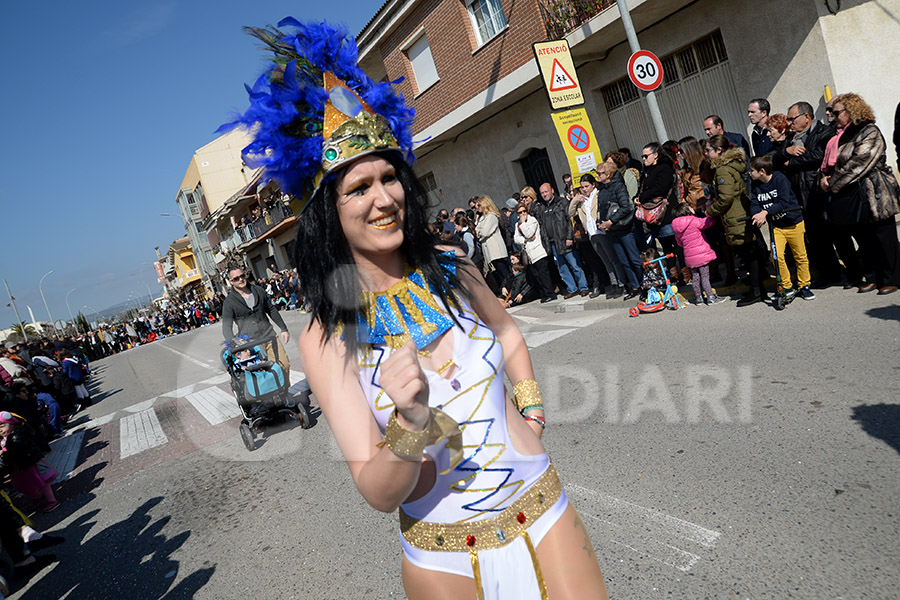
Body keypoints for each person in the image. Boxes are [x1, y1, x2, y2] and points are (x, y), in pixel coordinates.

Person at [222, 19, 609, 599]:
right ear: (330, 210)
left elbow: (508, 334)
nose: (383, 198)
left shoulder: (453, 267)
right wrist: (408, 424)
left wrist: (531, 416)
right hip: (444, 558)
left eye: (389, 178)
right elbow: (377, 493)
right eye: (358, 188)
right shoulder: (325, 338)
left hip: (545, 511)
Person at [820, 93, 900, 295]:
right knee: (865, 239)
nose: (833, 116)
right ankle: (873, 277)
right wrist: (825, 177)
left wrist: (833, 182)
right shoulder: (844, 135)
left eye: (836, 112)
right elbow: (835, 162)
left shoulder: (869, 131)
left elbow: (859, 162)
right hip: (853, 195)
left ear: (851, 111)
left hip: (876, 192)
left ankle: (892, 277)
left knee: (884, 236)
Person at [706, 135, 769, 307]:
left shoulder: (723, 169)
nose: (706, 154)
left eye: (708, 150)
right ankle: (757, 288)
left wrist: (710, 211)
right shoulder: (731, 165)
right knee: (749, 252)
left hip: (736, 215)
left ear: (718, 151)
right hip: (740, 212)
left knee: (748, 252)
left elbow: (725, 198)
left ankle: (757, 291)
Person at [749, 154, 814, 301]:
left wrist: (765, 212)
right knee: (776, 256)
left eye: (751, 170)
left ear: (762, 171)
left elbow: (784, 202)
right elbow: (754, 203)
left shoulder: (780, 179)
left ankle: (804, 286)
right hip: (776, 226)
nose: (749, 173)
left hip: (793, 223)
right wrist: (757, 214)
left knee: (800, 256)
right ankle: (786, 286)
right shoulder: (755, 184)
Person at [221, 264, 292, 386]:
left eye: (242, 276)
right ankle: (273, 398)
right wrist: (236, 349)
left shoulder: (258, 290)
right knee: (263, 373)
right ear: (231, 282)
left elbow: (271, 310)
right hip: (250, 342)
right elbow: (226, 326)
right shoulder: (229, 302)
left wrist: (283, 328)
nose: (241, 279)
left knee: (284, 364)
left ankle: (284, 392)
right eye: (236, 278)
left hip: (269, 336)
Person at [0, 411, 58, 512]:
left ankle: (51, 500)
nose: (0, 430)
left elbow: (14, 451)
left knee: (40, 481)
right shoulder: (7, 437)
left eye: (2, 425)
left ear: (11, 423)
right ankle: (38, 496)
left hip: (29, 463)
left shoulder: (16, 436)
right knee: (21, 485)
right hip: (18, 466)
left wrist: (4, 456)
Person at [539, 182, 590, 298]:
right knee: (562, 268)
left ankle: (583, 287)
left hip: (564, 240)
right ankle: (572, 288)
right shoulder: (542, 207)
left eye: (546, 191)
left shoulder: (562, 203)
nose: (544, 194)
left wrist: (569, 237)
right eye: (542, 193)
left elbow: (569, 220)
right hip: (553, 243)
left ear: (552, 190)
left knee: (575, 265)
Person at [670, 202, 726, 305]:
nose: (692, 208)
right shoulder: (693, 220)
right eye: (690, 207)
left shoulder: (676, 227)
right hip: (701, 254)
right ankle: (710, 296)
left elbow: (679, 243)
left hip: (689, 256)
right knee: (705, 277)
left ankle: (699, 298)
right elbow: (707, 223)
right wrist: (710, 213)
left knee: (695, 277)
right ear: (686, 211)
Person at [513, 202, 556, 303]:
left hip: (538, 251)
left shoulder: (532, 220)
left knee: (543, 274)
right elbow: (516, 238)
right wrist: (525, 240)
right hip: (529, 254)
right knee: (536, 275)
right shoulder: (517, 224)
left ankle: (550, 293)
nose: (523, 214)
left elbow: (529, 233)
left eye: (524, 211)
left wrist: (523, 224)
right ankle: (544, 293)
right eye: (520, 212)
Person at [474, 195, 512, 294]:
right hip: (488, 251)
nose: (477, 207)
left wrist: (480, 232)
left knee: (503, 271)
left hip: (495, 250)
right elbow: (477, 232)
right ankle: (505, 291)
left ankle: (511, 289)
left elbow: (485, 232)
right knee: (497, 273)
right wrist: (479, 232)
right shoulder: (483, 218)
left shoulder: (492, 216)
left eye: (479, 205)